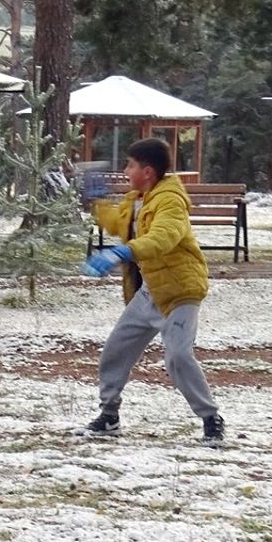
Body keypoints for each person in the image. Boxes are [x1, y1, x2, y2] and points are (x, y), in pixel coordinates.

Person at [80, 138, 225, 446]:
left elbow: (162, 238)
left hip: (179, 293)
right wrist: (96, 202)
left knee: (178, 357)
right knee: (115, 352)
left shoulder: (171, 202)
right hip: (149, 293)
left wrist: (122, 253)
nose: (125, 170)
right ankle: (109, 417)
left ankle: (211, 419)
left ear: (147, 171)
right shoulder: (138, 198)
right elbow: (120, 224)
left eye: (130, 165)